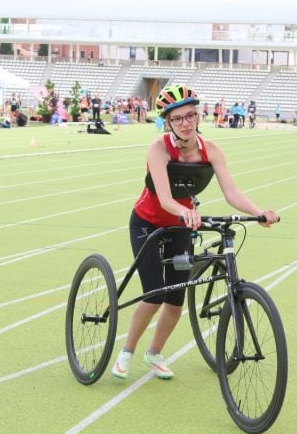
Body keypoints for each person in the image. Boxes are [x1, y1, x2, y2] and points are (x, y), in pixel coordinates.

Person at [112, 84, 279, 380]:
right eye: (178, 118)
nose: (186, 123)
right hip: (148, 222)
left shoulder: (211, 150)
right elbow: (164, 198)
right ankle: (126, 351)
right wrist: (185, 210)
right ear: (168, 122)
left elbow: (231, 192)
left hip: (181, 226)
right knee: (153, 295)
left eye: (191, 115)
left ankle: (154, 353)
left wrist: (258, 212)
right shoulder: (158, 148)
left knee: (176, 298)